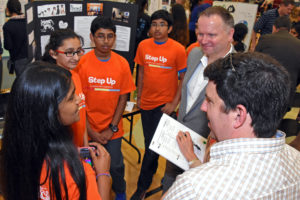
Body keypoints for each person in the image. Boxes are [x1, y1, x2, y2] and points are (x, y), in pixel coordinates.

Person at [163, 52, 300, 199]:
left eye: (210, 101)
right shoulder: (296, 160)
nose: (203, 107)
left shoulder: (192, 189)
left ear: (238, 115)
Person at [0, 62, 111, 200]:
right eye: (71, 97)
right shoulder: (76, 172)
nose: (79, 99)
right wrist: (103, 174)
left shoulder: (14, 153)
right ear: (50, 111)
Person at [162, 6, 235, 193]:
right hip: (178, 142)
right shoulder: (194, 54)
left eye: (211, 35)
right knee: (169, 186)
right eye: (199, 33)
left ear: (230, 34)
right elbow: (186, 88)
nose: (203, 40)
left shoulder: (239, 71)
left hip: (209, 157)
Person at [75, 16, 136, 200]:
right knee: (88, 164)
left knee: (116, 165)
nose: (106, 41)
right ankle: (92, 192)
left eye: (110, 36)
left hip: (113, 130)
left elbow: (123, 97)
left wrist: (112, 128)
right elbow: (78, 102)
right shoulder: (82, 63)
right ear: (92, 37)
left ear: (115, 37)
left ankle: (120, 190)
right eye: (101, 36)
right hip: (87, 128)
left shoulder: (122, 64)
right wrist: (90, 131)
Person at [131, 9, 187, 200]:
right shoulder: (143, 46)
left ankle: (141, 187)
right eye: (154, 24)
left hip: (165, 107)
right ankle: (151, 173)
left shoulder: (178, 49)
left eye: (162, 24)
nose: (157, 28)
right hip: (146, 104)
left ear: (170, 28)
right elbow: (141, 71)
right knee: (150, 145)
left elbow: (183, 79)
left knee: (152, 148)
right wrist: (138, 96)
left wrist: (174, 103)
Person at [42, 29, 88, 147]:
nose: (76, 58)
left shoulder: (75, 76)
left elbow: (82, 114)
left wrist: (86, 146)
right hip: (64, 152)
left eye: (78, 51)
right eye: (69, 52)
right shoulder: (51, 85)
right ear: (53, 54)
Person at [255, 16, 300, 108]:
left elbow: (254, 63)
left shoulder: (265, 39)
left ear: (274, 27)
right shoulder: (298, 44)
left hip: (262, 90)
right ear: (290, 29)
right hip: (286, 95)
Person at [3, 0, 28, 76]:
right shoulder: (28, 21)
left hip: (18, 60)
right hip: (32, 57)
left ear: (8, 9)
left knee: (21, 82)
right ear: (20, 9)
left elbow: (8, 46)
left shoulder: (7, 26)